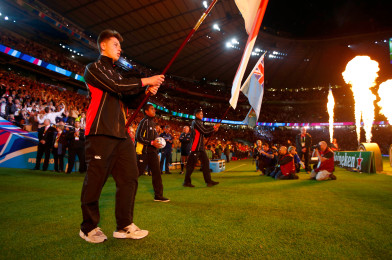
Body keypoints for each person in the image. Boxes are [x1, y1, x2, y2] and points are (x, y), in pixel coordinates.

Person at [79, 29, 164, 243]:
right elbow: (116, 86)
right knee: (95, 180)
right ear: (103, 46)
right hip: (100, 132)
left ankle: (124, 225)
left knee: (129, 178)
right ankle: (88, 227)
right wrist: (146, 81)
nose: (120, 48)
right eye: (116, 44)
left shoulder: (119, 74)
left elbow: (130, 101)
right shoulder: (94, 68)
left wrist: (146, 93)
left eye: (119, 45)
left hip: (122, 134)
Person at [135, 104, 169, 202]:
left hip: (153, 153)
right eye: (152, 109)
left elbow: (153, 139)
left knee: (157, 174)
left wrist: (157, 142)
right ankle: (125, 190)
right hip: (144, 152)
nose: (154, 110)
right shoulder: (144, 122)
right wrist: (152, 143)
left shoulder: (152, 123)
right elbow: (138, 137)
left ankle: (158, 195)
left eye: (154, 109)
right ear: (146, 111)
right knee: (137, 173)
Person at [183, 108, 220, 188]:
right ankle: (186, 182)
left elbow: (205, 134)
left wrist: (214, 131)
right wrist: (213, 127)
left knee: (206, 163)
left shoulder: (199, 122)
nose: (202, 115)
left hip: (200, 147)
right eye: (201, 114)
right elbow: (205, 131)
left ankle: (209, 181)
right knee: (191, 165)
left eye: (202, 114)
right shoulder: (195, 122)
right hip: (195, 147)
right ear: (196, 115)